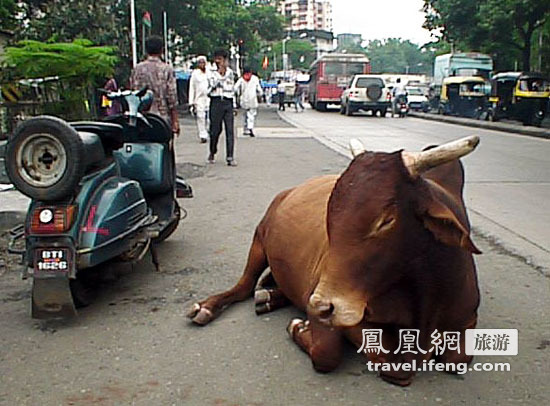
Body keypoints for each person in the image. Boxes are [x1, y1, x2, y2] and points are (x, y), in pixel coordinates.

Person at [130, 35, 180, 136]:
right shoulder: (166, 69)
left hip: (142, 117)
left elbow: (133, 92)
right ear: (162, 50)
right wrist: (175, 120)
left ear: (146, 50)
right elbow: (172, 97)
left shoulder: (137, 69)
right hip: (162, 118)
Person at [207, 49, 237, 166]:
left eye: (222, 59)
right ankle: (212, 151)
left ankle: (230, 156)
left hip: (227, 102)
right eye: (217, 59)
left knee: (230, 130)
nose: (220, 62)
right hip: (216, 101)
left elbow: (232, 89)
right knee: (215, 130)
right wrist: (220, 75)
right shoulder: (211, 72)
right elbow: (208, 89)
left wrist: (234, 105)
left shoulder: (230, 73)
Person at [234, 67, 263, 137]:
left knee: (245, 115)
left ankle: (245, 129)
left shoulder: (241, 79)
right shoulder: (255, 78)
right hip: (253, 99)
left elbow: (235, 88)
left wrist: (237, 94)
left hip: (244, 99)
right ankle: (250, 127)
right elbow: (259, 89)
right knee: (251, 114)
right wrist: (260, 95)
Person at [188, 55, 210, 143]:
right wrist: (191, 102)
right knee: (201, 117)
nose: (202, 64)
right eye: (200, 62)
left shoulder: (210, 72)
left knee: (210, 118)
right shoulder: (195, 74)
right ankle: (203, 135)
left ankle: (209, 131)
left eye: (203, 62)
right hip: (199, 98)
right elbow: (192, 88)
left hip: (209, 97)